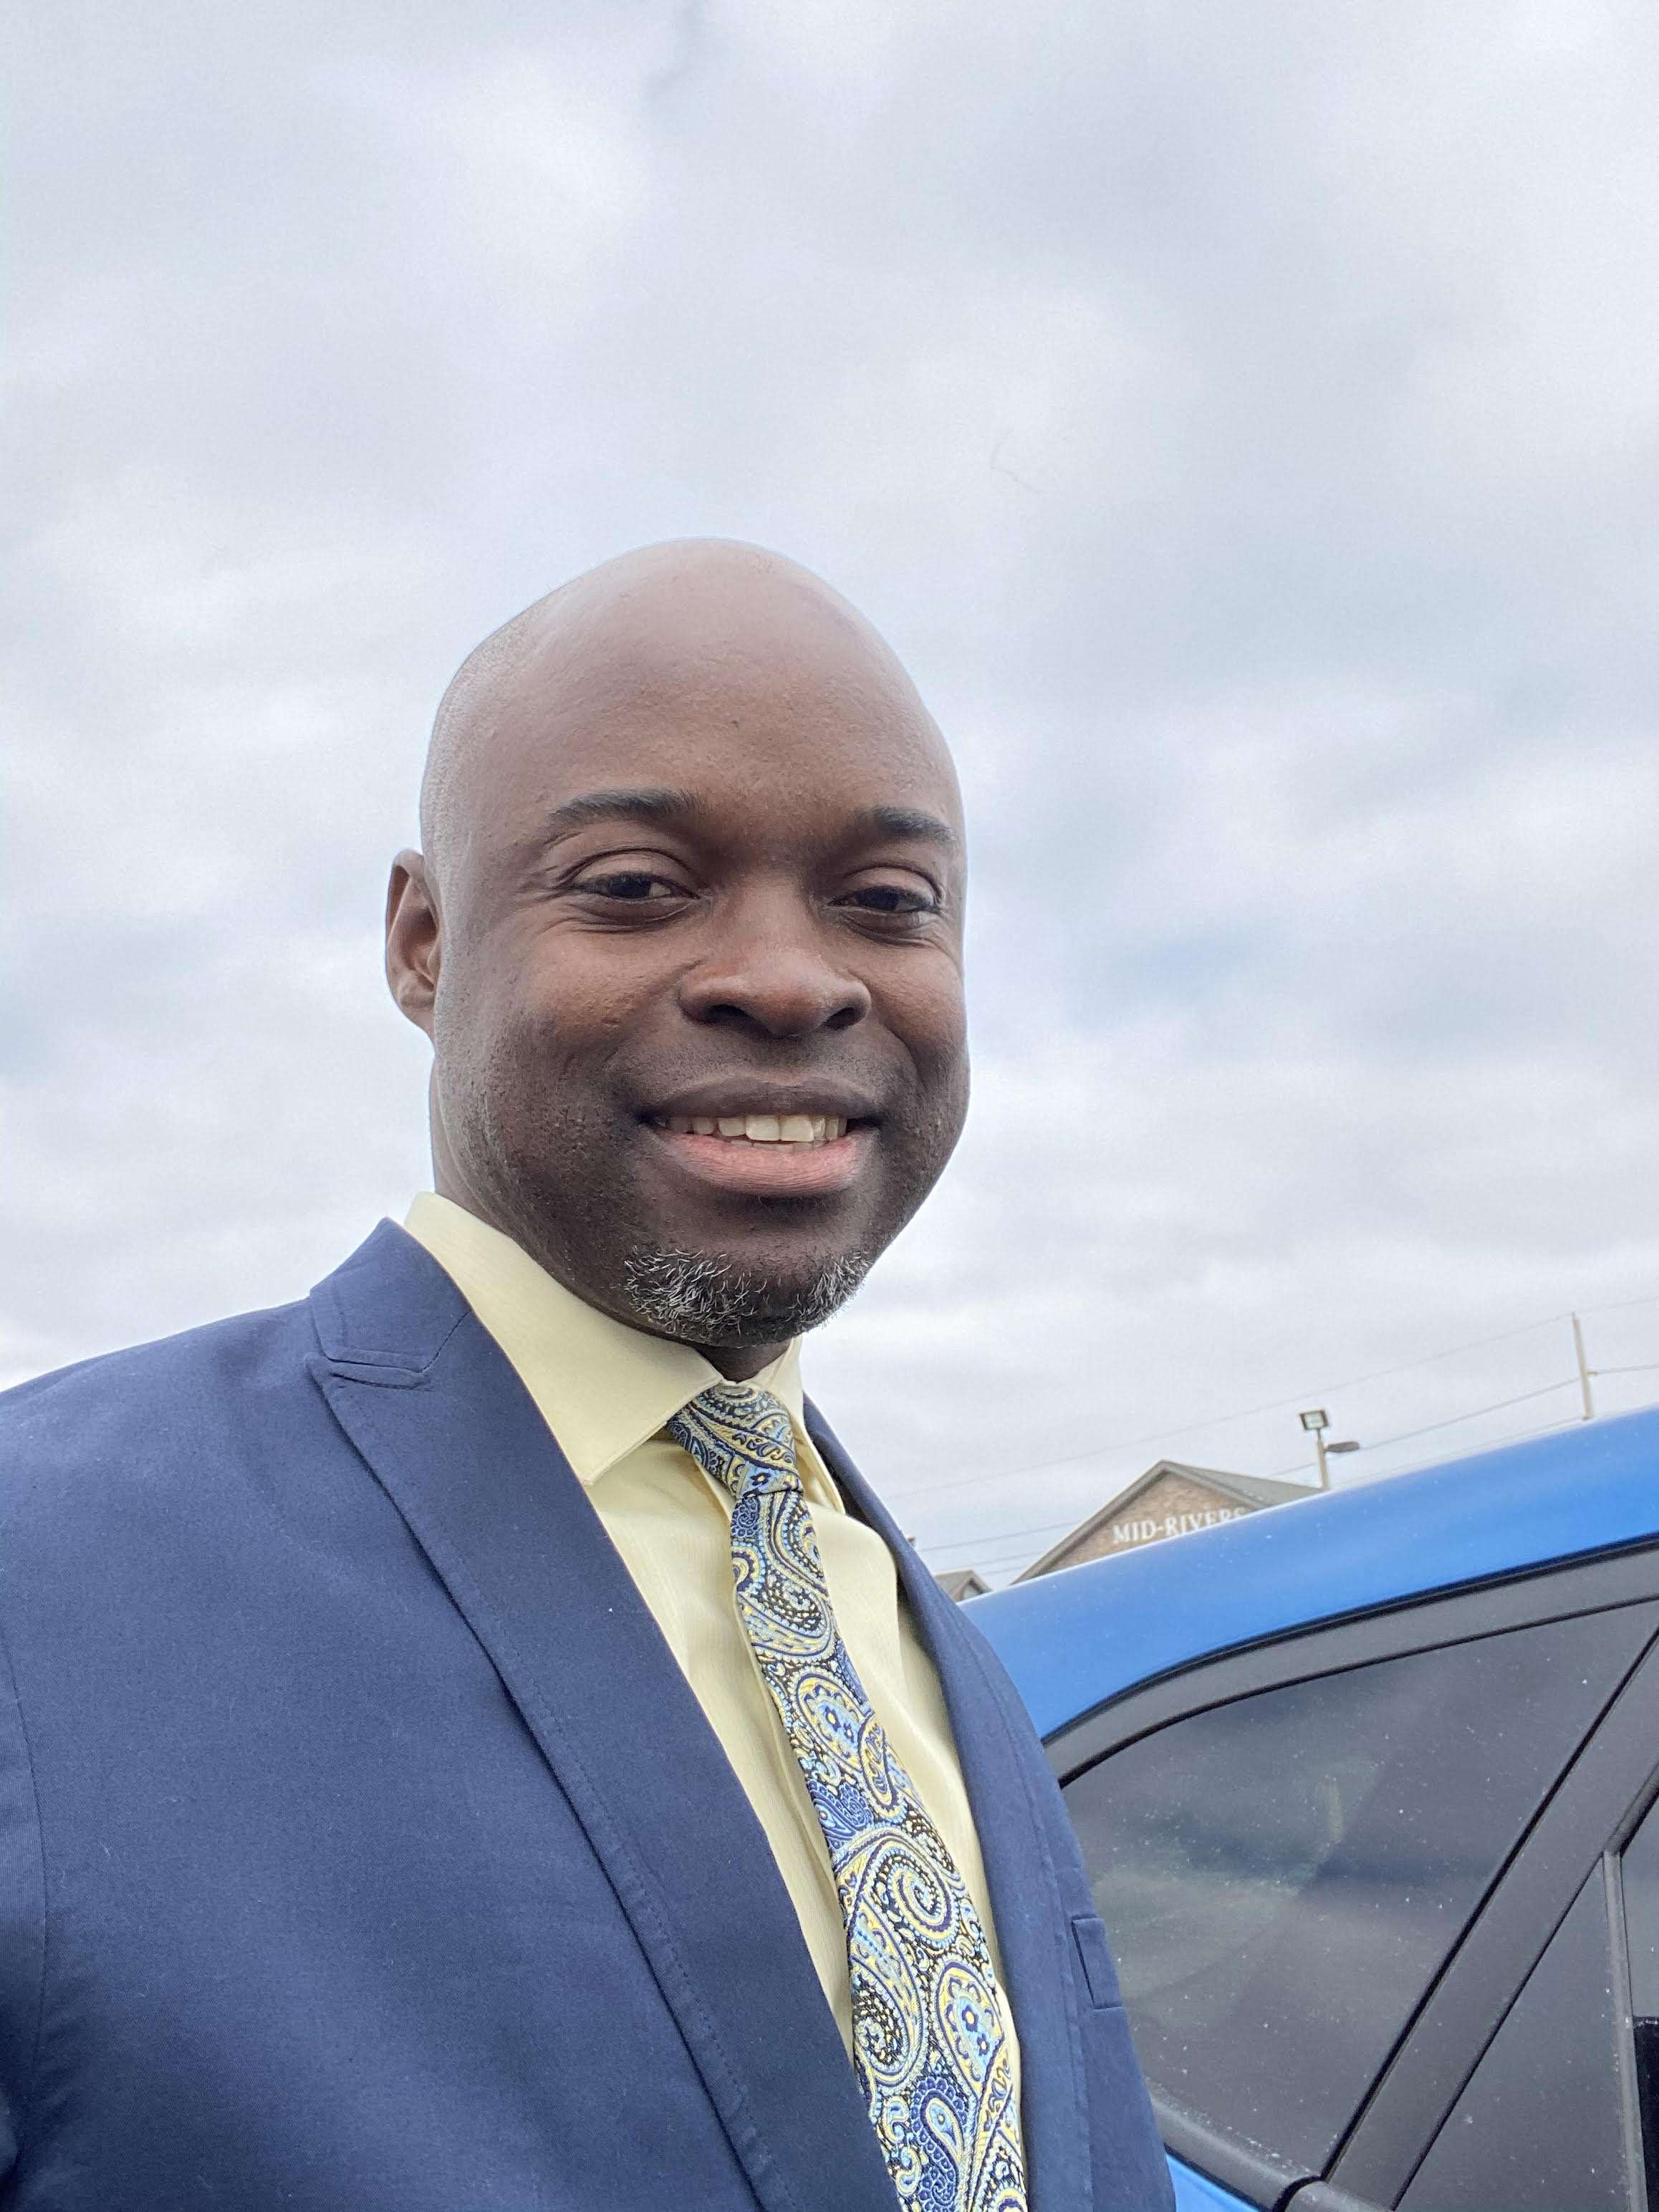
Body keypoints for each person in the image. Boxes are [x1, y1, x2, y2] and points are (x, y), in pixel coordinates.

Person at [0, 542, 1171, 2211]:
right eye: (635, 883)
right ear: (424, 940)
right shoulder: (46, 1572)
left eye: (889, 900)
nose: (792, 976)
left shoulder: (922, 1641)